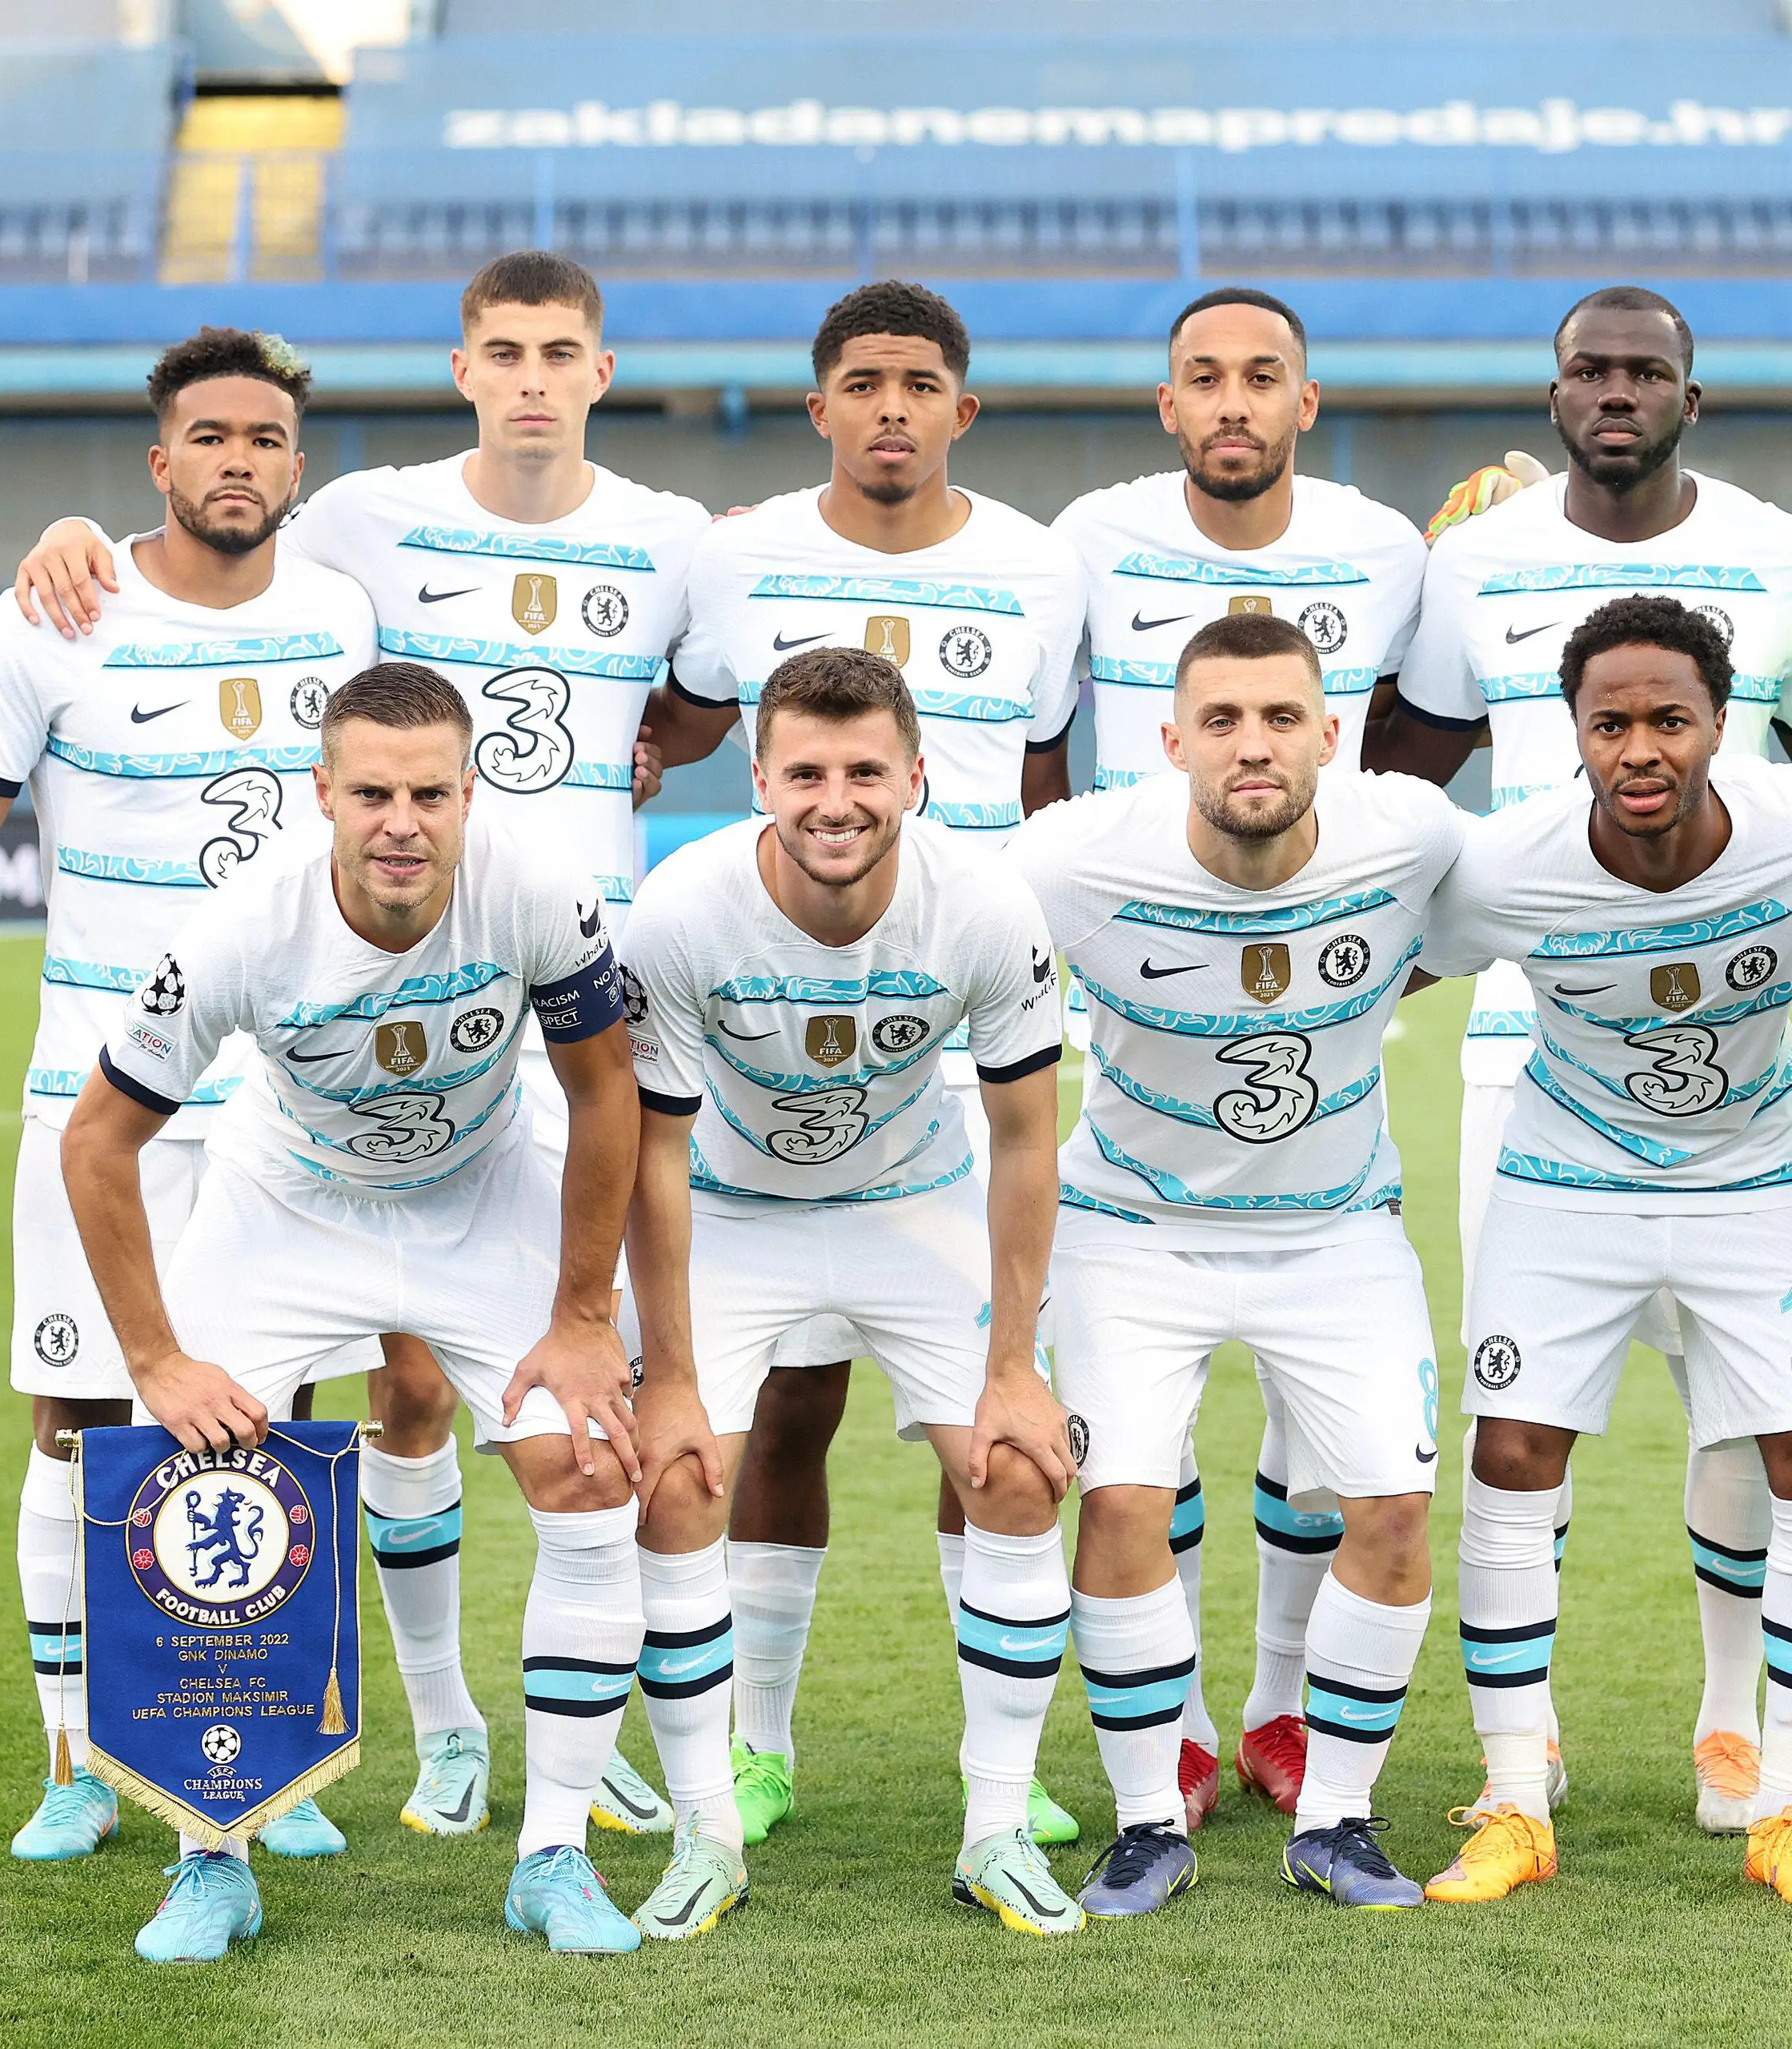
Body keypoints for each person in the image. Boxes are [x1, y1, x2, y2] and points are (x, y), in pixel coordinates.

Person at [8, 250, 698, 1842]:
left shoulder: (675, 536)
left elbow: (715, 695)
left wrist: (651, 744)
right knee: (351, 1404)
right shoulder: (360, 524)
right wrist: (72, 536)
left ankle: (562, 1749)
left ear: (599, 369)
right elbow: (211, 532)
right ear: (466, 367)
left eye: (561, 351)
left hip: (531, 1005)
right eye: (506, 350)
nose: (533, 376)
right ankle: (325, 1764)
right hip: (333, 1075)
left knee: (575, 1426)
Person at [62, 661, 657, 1960]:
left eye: (430, 795)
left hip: (481, 1192)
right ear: (323, 792)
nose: (403, 823)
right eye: (375, 794)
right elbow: (96, 1140)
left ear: (469, 795)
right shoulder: (241, 930)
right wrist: (156, 1359)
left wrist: (581, 1314)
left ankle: (553, 1856)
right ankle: (209, 1862)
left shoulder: (538, 892)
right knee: (195, 1483)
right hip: (291, 1204)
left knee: (589, 1466)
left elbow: (605, 1090)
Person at [1373, 284, 1792, 1834]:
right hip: (1527, 1054)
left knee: (1749, 1418)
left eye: (1646, 370)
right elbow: (1406, 772)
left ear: (1688, 398)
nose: (1615, 391)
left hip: (1733, 1052)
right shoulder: (1474, 558)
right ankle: (1528, 1755)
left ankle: (1733, 1725)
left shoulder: (1788, 555)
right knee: (1525, 1416)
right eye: (1588, 369)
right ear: (1552, 394)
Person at [0, 327, 379, 1869]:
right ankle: (75, 1763)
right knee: (81, 1417)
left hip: (290, 1100)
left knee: (278, 1417)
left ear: (296, 467)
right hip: (98, 1099)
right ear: (160, 461)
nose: (240, 459)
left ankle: (264, 1756)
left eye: (266, 437)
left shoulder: (342, 614)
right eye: (211, 436)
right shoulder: (63, 608)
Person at [643, 279, 1087, 1849]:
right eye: (862, 382)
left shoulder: (1043, 563)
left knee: (998, 1438)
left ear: (962, 406)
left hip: (955, 1027)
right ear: (818, 403)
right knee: (781, 1415)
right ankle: (754, 1749)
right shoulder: (733, 554)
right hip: (763, 1045)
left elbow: (1046, 772)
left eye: (918, 383)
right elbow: (663, 718)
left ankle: (1006, 1777)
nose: (891, 408)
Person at [1415, 595, 1792, 1912]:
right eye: (1608, 724)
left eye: (1670, 720)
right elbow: (1386, 964)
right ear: (1572, 732)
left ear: (1723, 724)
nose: (1640, 750)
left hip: (1755, 1176)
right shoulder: (1507, 865)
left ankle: (1784, 1810)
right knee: (1511, 1451)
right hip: (1568, 1181)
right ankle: (1515, 1799)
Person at [616, 646, 1084, 1936]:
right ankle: (709, 1830)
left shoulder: (983, 906)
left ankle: (997, 1826)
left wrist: (1015, 1364)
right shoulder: (681, 911)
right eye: (808, 774)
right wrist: (672, 1375)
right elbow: (654, 1157)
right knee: (675, 1479)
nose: (838, 802)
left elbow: (1026, 1144)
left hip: (911, 1206)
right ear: (758, 780)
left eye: (867, 773)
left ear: (917, 778)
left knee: (1018, 1466)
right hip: (734, 1211)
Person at [1043, 284, 1431, 1822]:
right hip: (1136, 1186)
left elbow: (1493, 842)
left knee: (1354, 1475)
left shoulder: (1391, 571)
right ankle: (1178, 1750)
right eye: (1202, 375)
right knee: (1130, 1484)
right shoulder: (1087, 545)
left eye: (1262, 374)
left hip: (1332, 1191)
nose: (1231, 399)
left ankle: (1287, 1720)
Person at [1011, 610, 1466, 1917]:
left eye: (1280, 718)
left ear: (1333, 735)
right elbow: (945, 939)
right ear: (1171, 744)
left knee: (1392, 1510)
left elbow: (1512, 914)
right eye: (1220, 721)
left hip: (1336, 1229)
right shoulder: (1072, 856)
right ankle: (1147, 1823)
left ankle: (1337, 1821)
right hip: (1131, 1231)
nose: (1251, 744)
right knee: (1121, 1504)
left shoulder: (1413, 833)